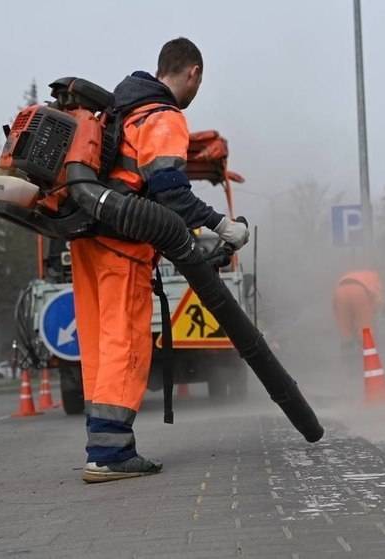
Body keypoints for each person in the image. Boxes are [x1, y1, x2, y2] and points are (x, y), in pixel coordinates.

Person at [72, 37, 249, 483]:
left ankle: (104, 444)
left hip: (85, 239)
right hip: (122, 246)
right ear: (192, 73)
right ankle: (109, 455)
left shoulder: (122, 109)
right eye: (198, 82)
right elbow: (170, 191)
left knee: (98, 343)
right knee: (125, 341)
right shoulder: (164, 116)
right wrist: (222, 226)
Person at [332, 269, 383, 349]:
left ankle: (347, 347)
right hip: (360, 291)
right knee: (364, 326)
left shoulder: (349, 275)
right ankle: (367, 349)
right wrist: (374, 309)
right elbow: (377, 297)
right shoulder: (374, 277)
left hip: (339, 292)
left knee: (345, 326)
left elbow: (335, 308)